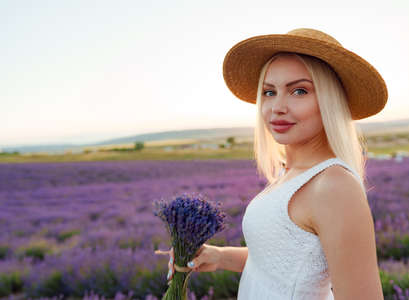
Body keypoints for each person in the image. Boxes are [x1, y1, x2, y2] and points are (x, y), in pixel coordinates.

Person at [155, 28, 388, 300]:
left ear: (330, 101)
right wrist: (219, 256)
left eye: (299, 91)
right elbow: (282, 261)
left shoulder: (334, 185)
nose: (277, 106)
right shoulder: (291, 175)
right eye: (268, 92)